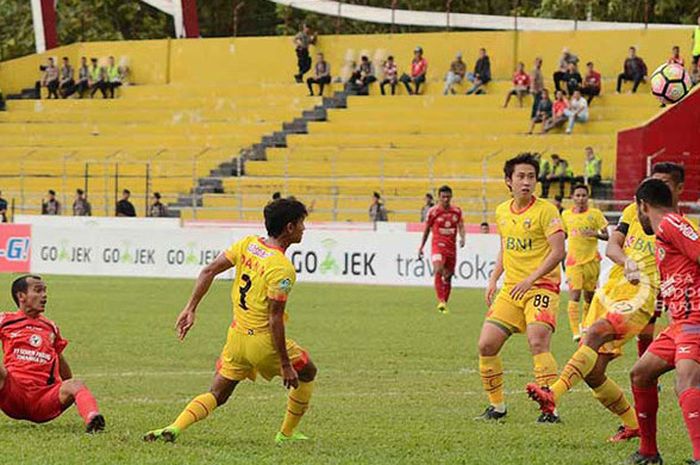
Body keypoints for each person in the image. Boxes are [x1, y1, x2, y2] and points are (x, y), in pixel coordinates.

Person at [526, 163, 685, 444]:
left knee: (598, 331)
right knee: (593, 372)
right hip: (611, 289)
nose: (657, 187)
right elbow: (613, 246)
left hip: (642, 294)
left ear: (679, 189)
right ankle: (632, 423)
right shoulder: (633, 211)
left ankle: (553, 394)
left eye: (665, 183)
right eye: (653, 181)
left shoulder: (681, 226)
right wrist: (627, 261)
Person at [144, 198, 317, 445]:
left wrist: (190, 308)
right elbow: (275, 318)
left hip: (236, 338)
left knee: (218, 393)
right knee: (308, 371)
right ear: (289, 227)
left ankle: (174, 427)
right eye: (302, 223)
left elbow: (208, 270)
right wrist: (285, 364)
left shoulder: (248, 244)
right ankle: (286, 434)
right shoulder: (282, 268)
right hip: (262, 342)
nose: (304, 228)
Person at [475, 153, 565, 422]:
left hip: (542, 288)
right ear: (508, 181)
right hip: (512, 290)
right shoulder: (502, 211)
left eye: (531, 177)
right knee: (486, 345)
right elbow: (505, 247)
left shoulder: (547, 210)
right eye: (521, 176)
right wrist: (493, 279)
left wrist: (531, 279)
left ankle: (550, 410)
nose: (526, 182)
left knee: (538, 341)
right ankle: (497, 407)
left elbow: (558, 251)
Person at [626, 178, 700, 465]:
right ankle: (648, 453)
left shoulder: (671, 224)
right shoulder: (662, 234)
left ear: (642, 205)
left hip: (695, 319)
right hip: (678, 324)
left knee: (687, 381)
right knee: (640, 374)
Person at [0, 275, 105, 432]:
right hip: (13, 393)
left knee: (77, 384)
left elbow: (59, 358)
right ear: (21, 296)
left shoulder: (50, 327)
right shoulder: (5, 320)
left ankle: (93, 419)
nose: (44, 295)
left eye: (45, 291)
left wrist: (75, 392)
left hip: (43, 399)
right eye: (38, 290)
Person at [560, 184, 609, 341]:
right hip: (574, 262)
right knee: (574, 296)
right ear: (572, 197)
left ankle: (586, 325)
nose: (581, 199)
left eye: (583, 195)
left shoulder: (595, 214)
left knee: (589, 297)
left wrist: (595, 234)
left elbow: (607, 236)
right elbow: (564, 235)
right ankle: (576, 332)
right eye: (578, 195)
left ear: (588, 197)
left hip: (592, 261)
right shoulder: (566, 215)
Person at [417, 185, 465, 314]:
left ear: (451, 197)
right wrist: (421, 246)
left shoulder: (456, 211)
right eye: (443, 197)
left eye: (448, 197)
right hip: (437, 245)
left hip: (451, 247)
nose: (446, 199)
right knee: (438, 269)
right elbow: (427, 229)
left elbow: (461, 225)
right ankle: (441, 300)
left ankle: (444, 304)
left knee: (448, 276)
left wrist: (462, 237)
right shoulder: (433, 212)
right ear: (439, 197)